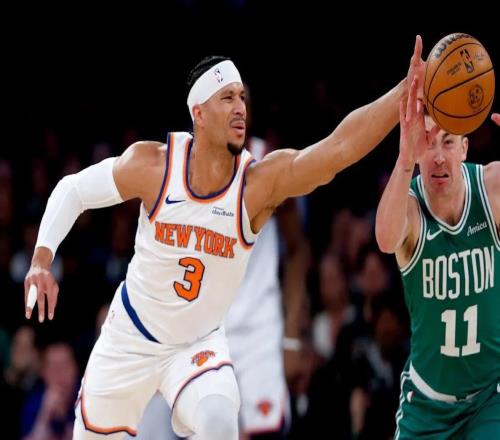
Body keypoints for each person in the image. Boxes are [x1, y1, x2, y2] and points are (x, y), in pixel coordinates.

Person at [25, 36, 424, 439]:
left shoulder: (256, 185)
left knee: (218, 419)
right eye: (227, 98)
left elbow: (338, 149)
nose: (240, 108)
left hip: (196, 345)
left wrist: (403, 93)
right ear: (198, 113)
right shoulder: (154, 166)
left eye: (242, 98)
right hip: (131, 337)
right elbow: (73, 190)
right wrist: (41, 259)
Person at [375, 73, 500, 439]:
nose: (439, 157)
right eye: (428, 143)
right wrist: (404, 161)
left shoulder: (491, 189)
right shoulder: (411, 208)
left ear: (464, 148)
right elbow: (385, 239)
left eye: (448, 142)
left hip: (490, 396)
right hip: (428, 404)